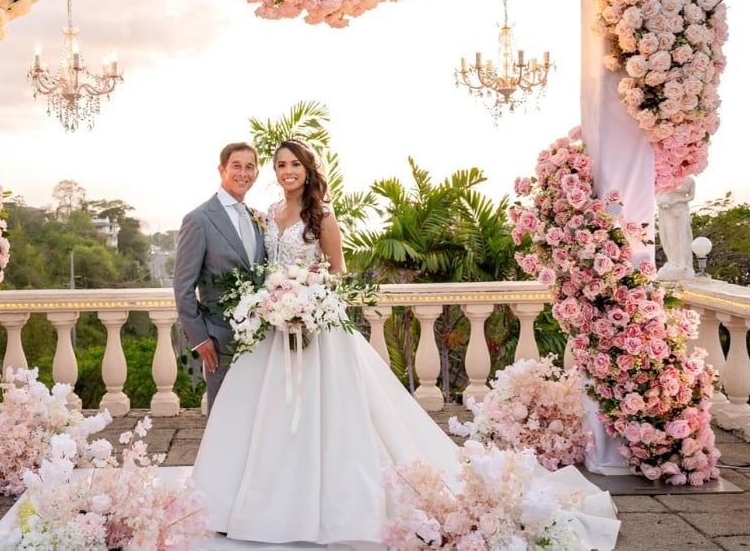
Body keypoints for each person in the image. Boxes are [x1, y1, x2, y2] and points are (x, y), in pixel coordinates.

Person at [191, 139, 621, 547]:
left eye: (295, 165)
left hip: (317, 326)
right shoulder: (268, 213)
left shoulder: (321, 216)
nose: (287, 171)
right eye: (281, 165)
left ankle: (331, 504)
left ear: (308, 172)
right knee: (270, 415)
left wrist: (307, 299)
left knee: (329, 415)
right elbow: (267, 267)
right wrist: (277, 299)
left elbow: (339, 272)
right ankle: (265, 499)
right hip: (276, 327)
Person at [173, 142, 266, 411]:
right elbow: (183, 286)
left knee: (255, 415)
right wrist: (200, 338)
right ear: (222, 169)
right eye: (236, 166)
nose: (243, 173)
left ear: (256, 173)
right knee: (224, 416)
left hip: (260, 340)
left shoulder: (256, 219)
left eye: (250, 167)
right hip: (219, 341)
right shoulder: (199, 219)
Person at [656, 176, 695, 281]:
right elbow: (658, 193)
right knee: (670, 236)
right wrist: (662, 202)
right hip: (667, 209)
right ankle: (673, 260)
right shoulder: (665, 177)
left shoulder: (690, 180)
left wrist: (678, 201)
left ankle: (683, 263)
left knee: (682, 236)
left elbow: (691, 196)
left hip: (681, 209)